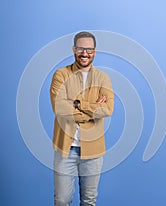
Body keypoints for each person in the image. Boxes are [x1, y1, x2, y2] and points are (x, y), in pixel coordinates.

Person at [50, 31, 114, 206]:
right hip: (65, 150)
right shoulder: (60, 75)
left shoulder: (103, 78)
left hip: (93, 151)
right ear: (73, 49)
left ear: (95, 51)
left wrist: (77, 104)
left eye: (89, 49)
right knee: (62, 201)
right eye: (80, 49)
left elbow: (107, 109)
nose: (84, 53)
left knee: (89, 201)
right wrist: (93, 108)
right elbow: (60, 108)